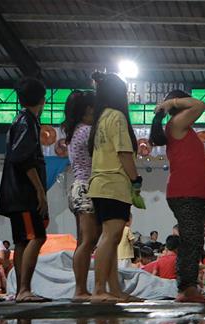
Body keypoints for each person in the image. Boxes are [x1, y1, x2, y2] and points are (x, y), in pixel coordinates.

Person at [149, 90, 205, 303]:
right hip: (186, 192)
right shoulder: (177, 123)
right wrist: (171, 103)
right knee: (191, 240)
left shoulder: (180, 126)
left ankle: (188, 288)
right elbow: (200, 105)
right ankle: (187, 289)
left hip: (190, 192)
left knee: (192, 240)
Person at [87, 72, 142, 303]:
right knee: (110, 238)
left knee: (110, 237)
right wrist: (135, 179)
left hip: (99, 184)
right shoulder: (117, 117)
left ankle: (113, 290)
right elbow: (124, 152)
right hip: (113, 184)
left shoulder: (101, 117)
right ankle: (100, 289)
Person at [0, 77, 49, 303]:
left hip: (14, 193)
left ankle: (21, 291)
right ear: (42, 100)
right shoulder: (27, 121)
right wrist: (39, 190)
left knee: (22, 241)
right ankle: (24, 289)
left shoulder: (20, 120)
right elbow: (24, 159)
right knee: (36, 237)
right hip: (24, 193)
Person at [64, 90, 98, 302]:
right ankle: (80, 290)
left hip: (78, 188)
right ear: (88, 109)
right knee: (88, 241)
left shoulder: (73, 130)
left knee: (83, 242)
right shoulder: (87, 131)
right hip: (87, 188)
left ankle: (81, 288)